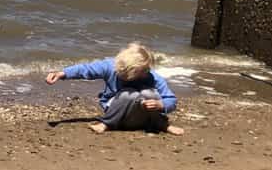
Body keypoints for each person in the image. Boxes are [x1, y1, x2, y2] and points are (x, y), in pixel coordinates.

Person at [45, 41, 183, 134]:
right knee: (130, 94)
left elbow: (171, 99)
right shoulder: (110, 66)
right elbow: (86, 69)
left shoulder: (152, 76)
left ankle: (161, 124)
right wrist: (62, 74)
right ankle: (107, 123)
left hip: (142, 118)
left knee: (150, 93)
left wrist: (160, 104)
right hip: (118, 116)